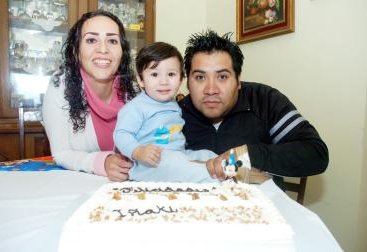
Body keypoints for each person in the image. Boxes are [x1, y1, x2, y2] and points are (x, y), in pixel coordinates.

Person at [179, 30, 329, 189]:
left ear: (238, 81)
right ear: (187, 82)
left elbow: (316, 154)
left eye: (222, 76)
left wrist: (249, 155)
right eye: (200, 77)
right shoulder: (173, 115)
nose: (211, 89)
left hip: (264, 207)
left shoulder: (265, 100)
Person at [42, 10, 138, 182]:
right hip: (79, 185)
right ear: (76, 51)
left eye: (112, 40)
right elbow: (61, 153)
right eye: (91, 40)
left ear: (122, 51)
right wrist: (102, 162)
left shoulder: (134, 90)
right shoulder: (59, 86)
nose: (103, 49)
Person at [113, 42, 217, 183]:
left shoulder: (174, 105)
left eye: (171, 74)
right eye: (155, 74)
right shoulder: (136, 107)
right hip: (150, 164)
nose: (164, 81)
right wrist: (138, 151)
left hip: (178, 155)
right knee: (182, 166)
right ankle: (212, 181)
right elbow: (121, 134)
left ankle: (227, 168)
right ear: (141, 80)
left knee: (207, 154)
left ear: (180, 79)